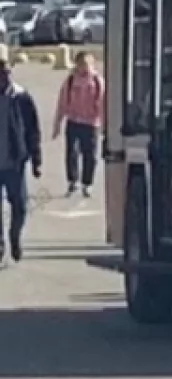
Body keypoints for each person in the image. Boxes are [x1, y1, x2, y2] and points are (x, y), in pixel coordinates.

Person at [0, 54, 42, 264]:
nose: (4, 77)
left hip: (14, 163)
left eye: (6, 73)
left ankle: (14, 236)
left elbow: (33, 130)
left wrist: (36, 159)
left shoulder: (22, 97)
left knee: (20, 206)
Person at [52, 51, 105, 198]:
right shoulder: (70, 81)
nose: (85, 67)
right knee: (72, 153)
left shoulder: (97, 81)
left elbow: (102, 104)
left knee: (91, 155)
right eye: (82, 64)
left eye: (88, 64)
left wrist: (104, 126)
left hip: (91, 123)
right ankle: (72, 181)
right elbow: (62, 103)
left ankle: (87, 183)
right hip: (74, 122)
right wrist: (57, 124)